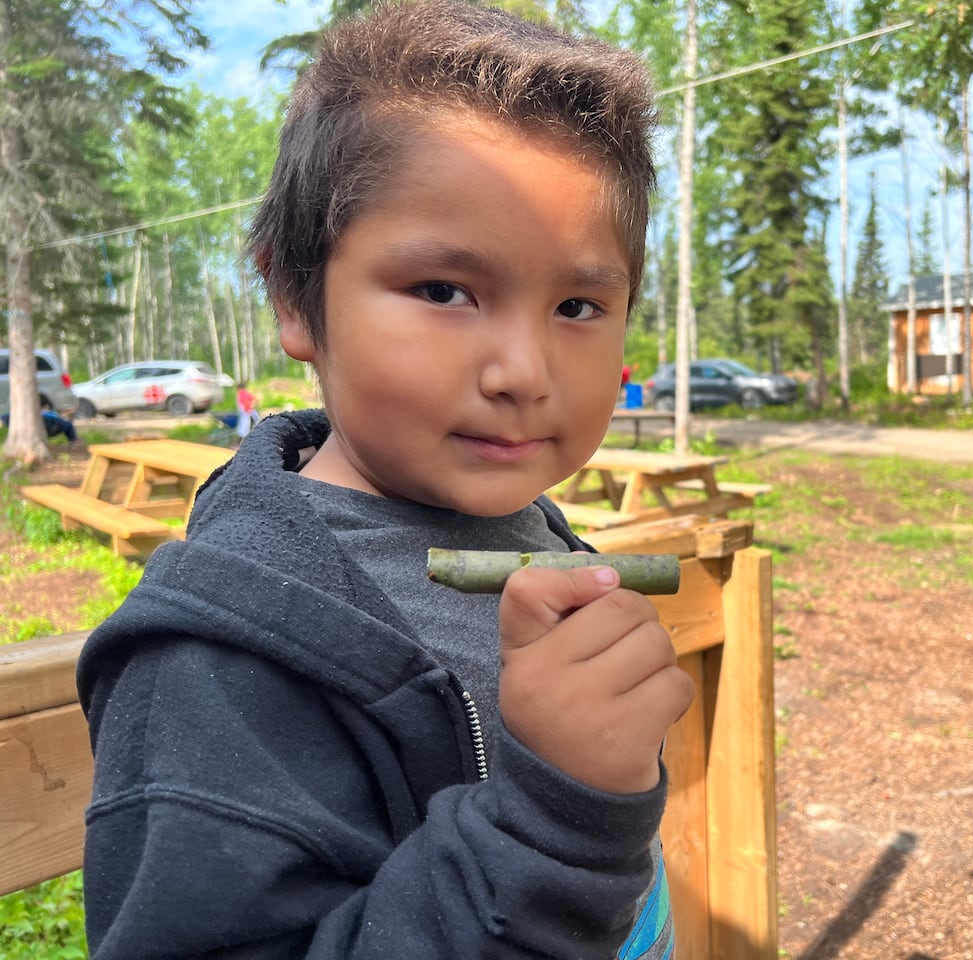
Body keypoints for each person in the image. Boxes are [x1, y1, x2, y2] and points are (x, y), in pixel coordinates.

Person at [76, 4, 693, 958]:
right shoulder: (223, 662)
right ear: (294, 295)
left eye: (578, 304)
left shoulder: (535, 535)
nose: (523, 371)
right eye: (445, 290)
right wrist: (557, 819)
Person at [1, 409, 78, 444]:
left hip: (48, 427)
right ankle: (73, 441)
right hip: (47, 426)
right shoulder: (58, 418)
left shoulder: (57, 418)